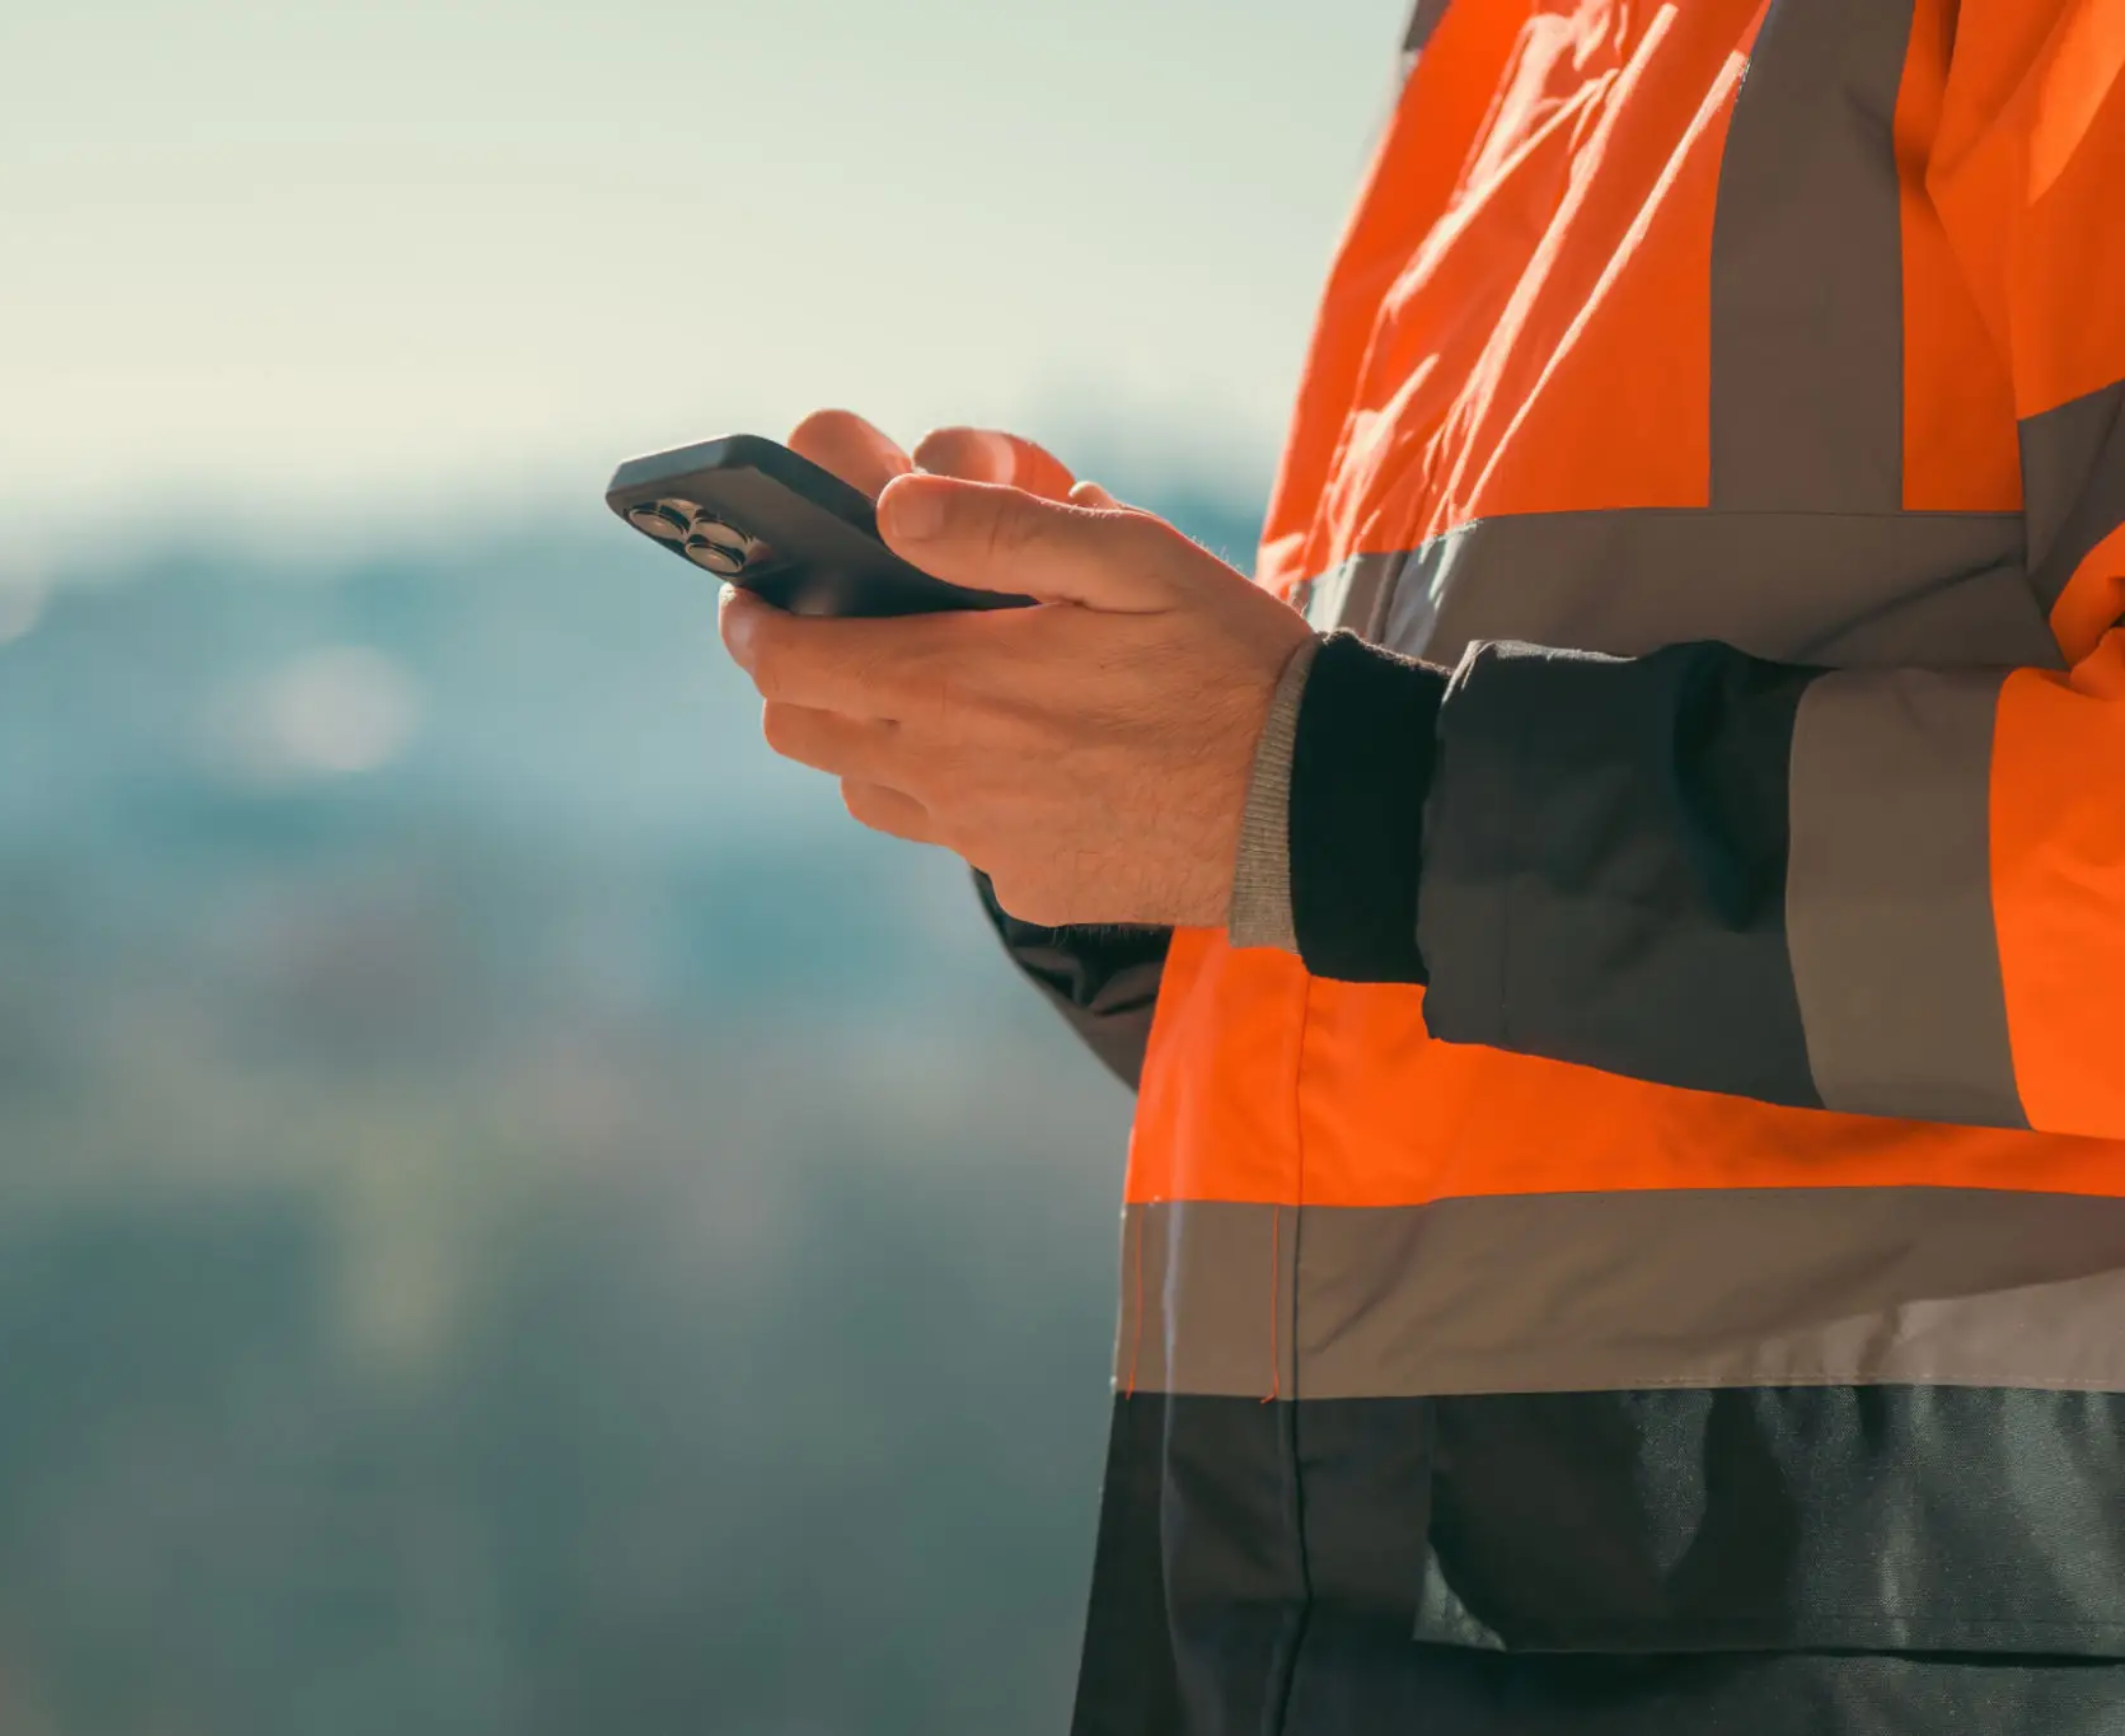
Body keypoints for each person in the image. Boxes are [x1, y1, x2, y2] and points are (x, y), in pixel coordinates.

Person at [716, 2, 2125, 1732]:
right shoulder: (1513, 45)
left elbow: (1387, 815)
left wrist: (1317, 789)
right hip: (1343, 1632)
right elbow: (1441, 955)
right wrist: (1142, 820)